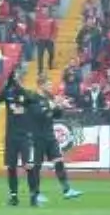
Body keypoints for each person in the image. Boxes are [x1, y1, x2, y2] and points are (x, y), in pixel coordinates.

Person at [29, 75, 84, 203]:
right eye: (48, 85)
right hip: (38, 136)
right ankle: (35, 194)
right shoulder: (34, 98)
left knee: (59, 161)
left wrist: (60, 106)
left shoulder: (49, 98)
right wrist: (54, 105)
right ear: (41, 85)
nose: (50, 87)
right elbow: (38, 115)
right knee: (37, 166)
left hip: (50, 135)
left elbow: (56, 115)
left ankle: (67, 190)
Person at [0, 69, 40, 207]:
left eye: (17, 79)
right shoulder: (9, 94)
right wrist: (8, 84)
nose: (16, 81)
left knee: (28, 166)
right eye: (14, 79)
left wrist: (19, 88)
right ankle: (14, 196)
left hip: (24, 135)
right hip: (11, 136)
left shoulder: (27, 94)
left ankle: (33, 196)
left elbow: (31, 99)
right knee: (11, 167)